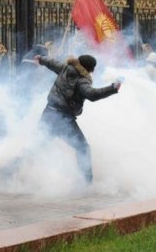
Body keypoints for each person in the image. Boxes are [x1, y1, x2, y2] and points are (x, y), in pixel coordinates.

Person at [35, 54, 121, 183]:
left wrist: (41, 59)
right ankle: (86, 183)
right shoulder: (82, 80)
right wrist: (112, 88)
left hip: (49, 113)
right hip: (63, 119)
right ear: (90, 68)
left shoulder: (65, 68)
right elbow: (92, 94)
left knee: (35, 147)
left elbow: (52, 63)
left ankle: (7, 171)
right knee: (83, 148)